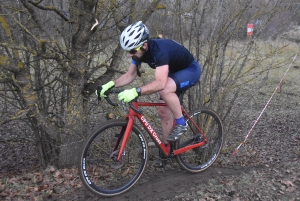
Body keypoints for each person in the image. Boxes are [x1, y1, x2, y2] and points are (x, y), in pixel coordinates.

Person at [97, 21, 202, 167]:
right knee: (163, 112)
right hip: (172, 72)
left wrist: (136, 91)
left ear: (144, 45)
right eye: (128, 51)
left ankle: (181, 123)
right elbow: (130, 75)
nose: (130, 55)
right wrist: (110, 84)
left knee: (164, 89)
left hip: (190, 70)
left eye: (132, 51)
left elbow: (160, 83)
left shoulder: (160, 51)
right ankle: (167, 152)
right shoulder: (140, 52)